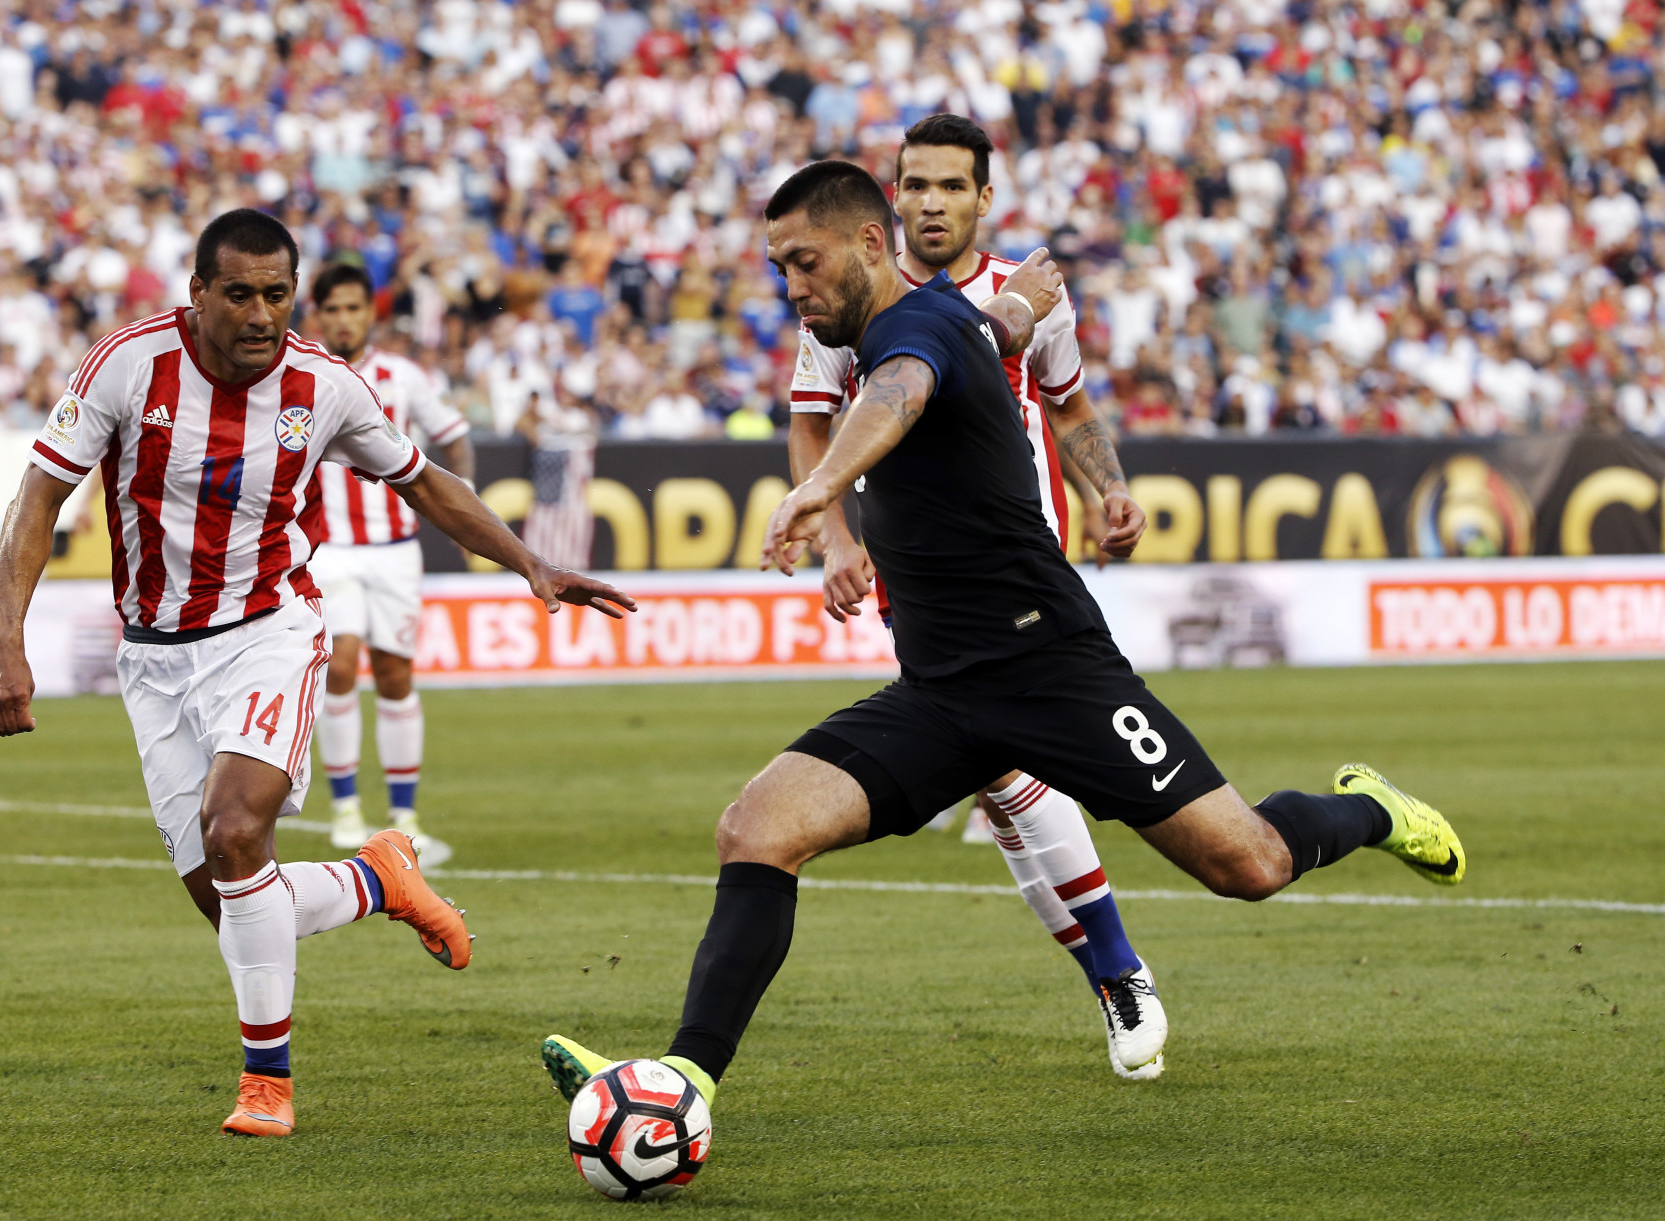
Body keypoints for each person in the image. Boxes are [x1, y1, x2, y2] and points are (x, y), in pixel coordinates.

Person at [541, 161, 1463, 1131]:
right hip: (939, 692)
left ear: (866, 245)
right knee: (757, 829)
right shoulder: (944, 323)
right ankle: (683, 1082)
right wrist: (1006, 315)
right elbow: (984, 337)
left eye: (803, 262)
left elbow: (900, 391)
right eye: (778, 268)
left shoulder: (915, 331)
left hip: (1049, 669)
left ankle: (1364, 809)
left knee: (1251, 867)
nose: (790, 287)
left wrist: (823, 489)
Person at [0, 209, 635, 1138]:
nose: (260, 313)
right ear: (197, 292)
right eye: (238, 293)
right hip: (155, 656)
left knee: (237, 828)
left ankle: (267, 1086)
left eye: (276, 295)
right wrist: (5, 635)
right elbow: (40, 495)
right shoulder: (127, 365)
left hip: (269, 631)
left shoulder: (326, 386)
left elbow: (426, 482)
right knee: (235, 902)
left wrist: (529, 561)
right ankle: (379, 879)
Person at [787, 115, 1163, 1078]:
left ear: (984, 199)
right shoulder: (846, 297)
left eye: (952, 186)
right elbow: (811, 423)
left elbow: (1070, 408)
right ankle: (1118, 975)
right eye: (914, 185)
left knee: (1007, 768)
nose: (931, 203)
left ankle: (1118, 970)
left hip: (1023, 565)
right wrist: (837, 536)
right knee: (1000, 778)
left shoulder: (1025, 294)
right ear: (890, 201)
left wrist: (1107, 488)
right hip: (920, 579)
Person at [304, 263, 476, 864]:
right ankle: (347, 808)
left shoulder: (403, 377)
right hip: (329, 552)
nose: (344, 319)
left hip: (397, 551)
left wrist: (465, 500)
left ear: (368, 314)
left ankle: (404, 817)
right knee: (342, 665)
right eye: (333, 310)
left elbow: (453, 434)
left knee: (397, 675)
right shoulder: (301, 375)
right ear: (318, 315)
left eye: (354, 308)